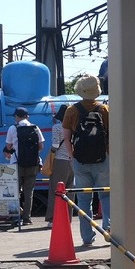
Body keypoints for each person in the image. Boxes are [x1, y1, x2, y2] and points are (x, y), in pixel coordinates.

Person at [62, 75, 110, 247]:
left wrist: (72, 156)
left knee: (83, 200)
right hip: (103, 159)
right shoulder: (104, 109)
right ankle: (109, 229)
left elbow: (66, 139)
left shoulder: (71, 110)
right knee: (106, 195)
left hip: (80, 160)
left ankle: (87, 238)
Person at [3, 107, 44, 225]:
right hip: (33, 164)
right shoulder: (35, 128)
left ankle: (15, 217)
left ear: (16, 116)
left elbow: (9, 147)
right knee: (28, 192)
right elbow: (41, 146)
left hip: (16, 163)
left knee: (14, 191)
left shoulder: (13, 128)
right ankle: (26, 218)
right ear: (27, 116)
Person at [44, 103, 74, 227]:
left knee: (55, 190)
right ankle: (68, 218)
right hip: (72, 161)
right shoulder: (74, 127)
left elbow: (56, 145)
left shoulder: (57, 127)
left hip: (60, 161)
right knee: (70, 191)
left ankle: (53, 219)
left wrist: (51, 151)